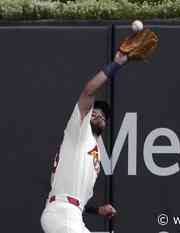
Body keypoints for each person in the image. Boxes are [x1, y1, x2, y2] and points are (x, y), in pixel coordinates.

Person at [41, 51, 128, 233]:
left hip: (71, 215)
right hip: (62, 214)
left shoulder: (93, 150)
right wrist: (116, 64)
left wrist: (97, 210)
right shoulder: (79, 131)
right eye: (94, 112)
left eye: (103, 115)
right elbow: (89, 90)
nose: (98, 115)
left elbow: (73, 197)